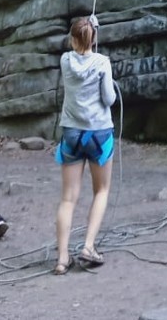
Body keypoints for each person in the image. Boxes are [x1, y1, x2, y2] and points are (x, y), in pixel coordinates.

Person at [54, 14, 116, 275]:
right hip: (99, 134)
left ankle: (62, 258)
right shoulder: (102, 62)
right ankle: (88, 247)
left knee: (68, 198)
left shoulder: (65, 61)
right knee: (101, 190)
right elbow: (109, 99)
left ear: (71, 39)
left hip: (71, 134)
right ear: (94, 38)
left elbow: (79, 50)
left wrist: (89, 32)